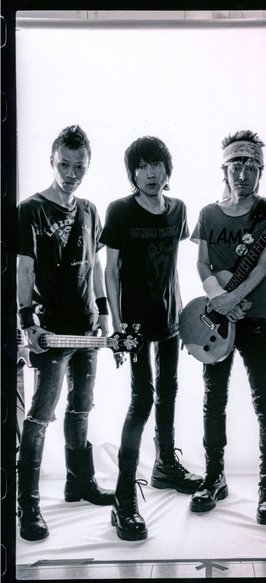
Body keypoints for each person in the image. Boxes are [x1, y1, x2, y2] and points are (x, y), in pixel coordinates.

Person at [101, 136, 202, 541]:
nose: (150, 173)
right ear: (132, 173)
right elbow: (110, 270)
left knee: (170, 390)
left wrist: (181, 314)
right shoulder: (119, 211)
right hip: (134, 323)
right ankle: (124, 497)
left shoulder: (178, 210)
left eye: (156, 164)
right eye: (142, 166)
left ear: (166, 169)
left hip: (169, 317)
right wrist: (118, 324)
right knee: (142, 398)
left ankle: (165, 467)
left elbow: (173, 265)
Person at [17, 125, 114, 542]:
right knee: (40, 414)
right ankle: (27, 504)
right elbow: (23, 268)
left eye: (79, 167)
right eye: (64, 165)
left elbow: (95, 265)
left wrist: (104, 313)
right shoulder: (30, 209)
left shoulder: (91, 210)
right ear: (52, 161)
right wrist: (27, 322)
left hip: (86, 327)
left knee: (81, 407)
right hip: (50, 329)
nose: (72, 174)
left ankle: (80, 482)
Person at [189, 130, 266, 525]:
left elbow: (264, 265)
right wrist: (219, 296)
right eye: (236, 166)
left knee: (265, 403)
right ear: (224, 170)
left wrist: (235, 298)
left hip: (256, 317)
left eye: (251, 167)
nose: (243, 174)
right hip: (217, 321)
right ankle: (214, 478)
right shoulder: (208, 214)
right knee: (213, 401)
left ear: (260, 171)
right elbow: (202, 263)